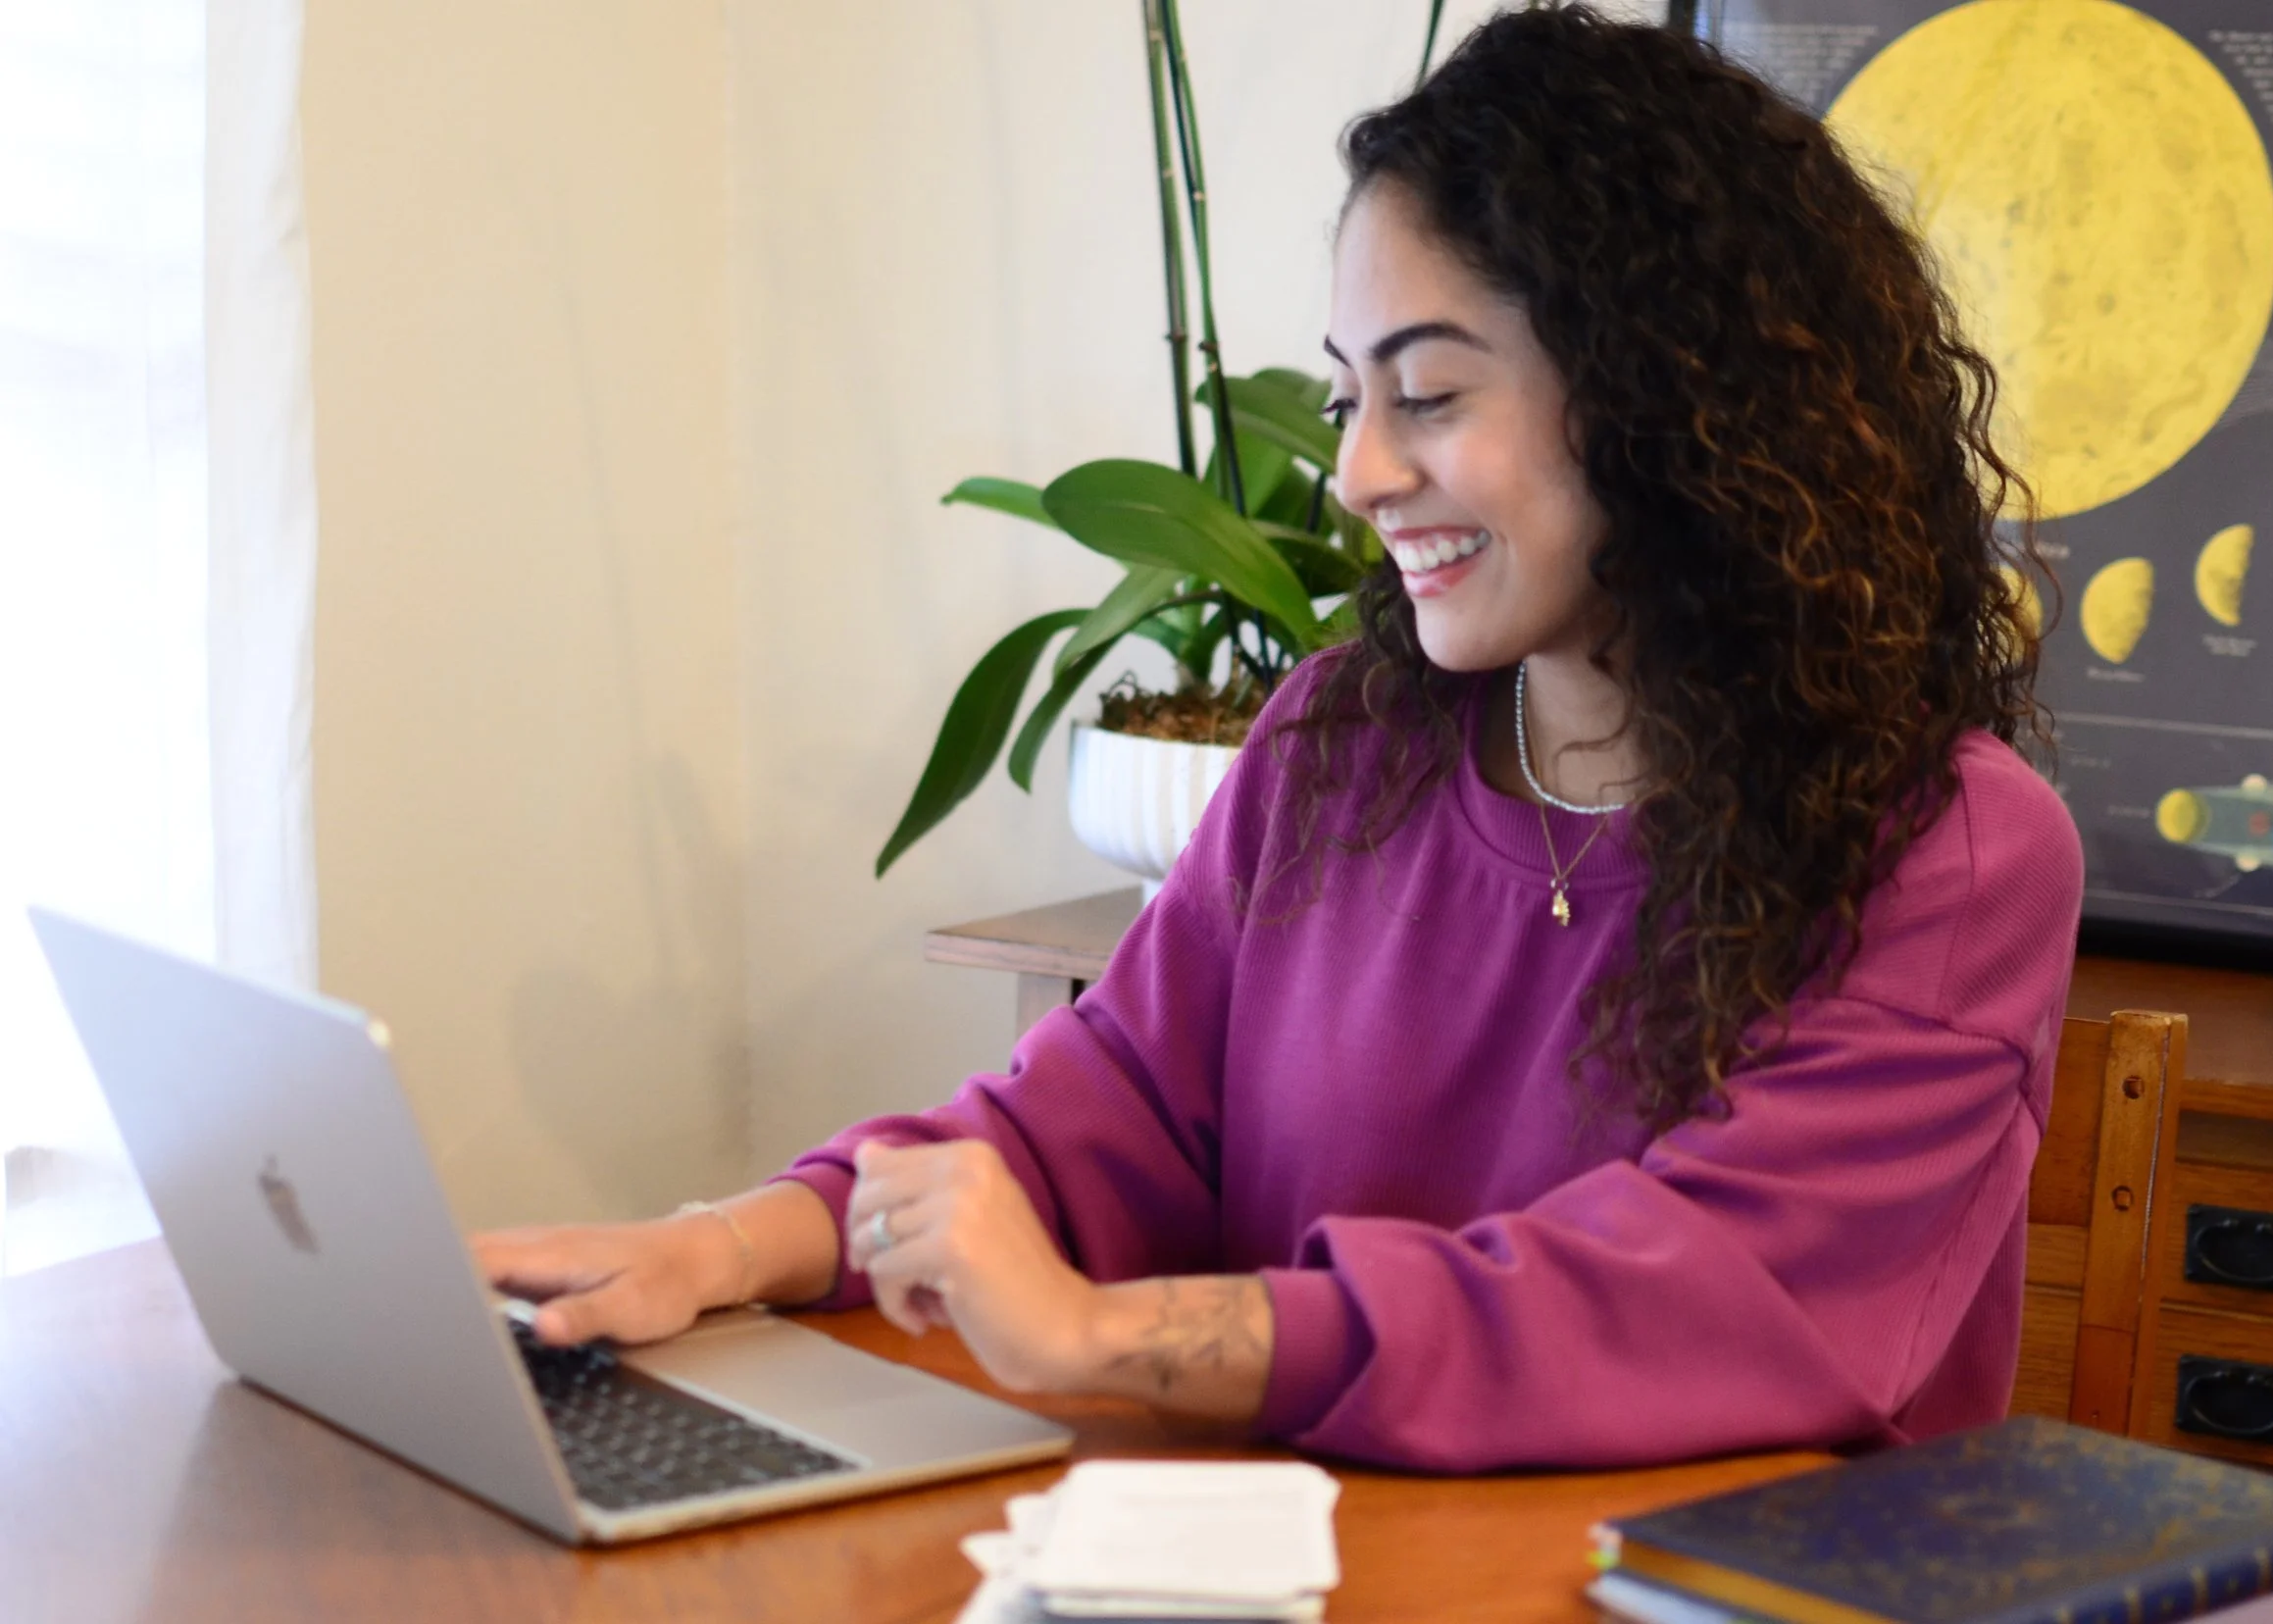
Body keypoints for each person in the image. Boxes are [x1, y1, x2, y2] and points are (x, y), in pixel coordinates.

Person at [475, 6, 2081, 1472]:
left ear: (1669, 399)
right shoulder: (1340, 751)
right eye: (1345, 404)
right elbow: (1093, 1114)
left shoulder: (1949, 853)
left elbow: (1685, 1303)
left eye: (1432, 396)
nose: (1363, 475)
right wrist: (728, 1244)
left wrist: (1111, 1337)